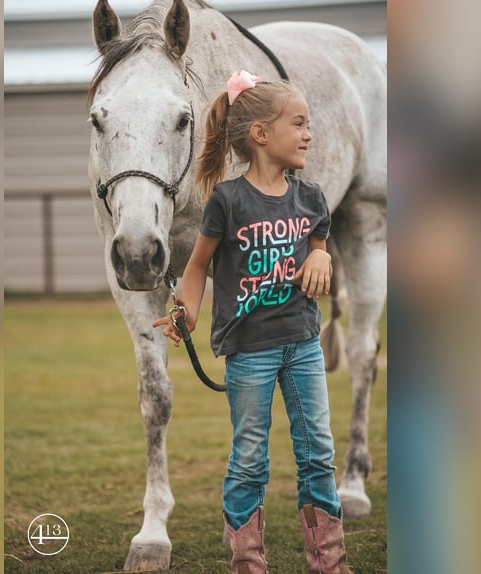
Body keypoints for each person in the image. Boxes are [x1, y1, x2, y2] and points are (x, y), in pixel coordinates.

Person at [153, 70, 351, 574]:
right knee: (249, 459)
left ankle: (329, 562)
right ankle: (247, 562)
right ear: (261, 134)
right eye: (299, 124)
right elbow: (197, 266)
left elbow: (319, 246)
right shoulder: (228, 200)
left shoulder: (311, 198)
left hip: (303, 343)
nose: (309, 134)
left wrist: (322, 257)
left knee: (318, 454)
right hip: (249, 351)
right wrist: (186, 310)